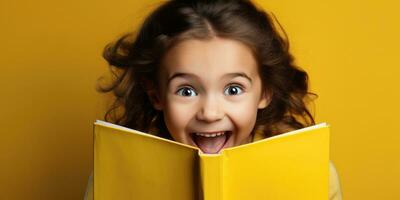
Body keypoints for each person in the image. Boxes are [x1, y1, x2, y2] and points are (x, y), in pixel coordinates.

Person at [85, 0, 342, 199]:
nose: (210, 113)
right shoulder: (115, 176)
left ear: (265, 92)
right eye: (187, 91)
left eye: (233, 89)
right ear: (156, 95)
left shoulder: (314, 174)